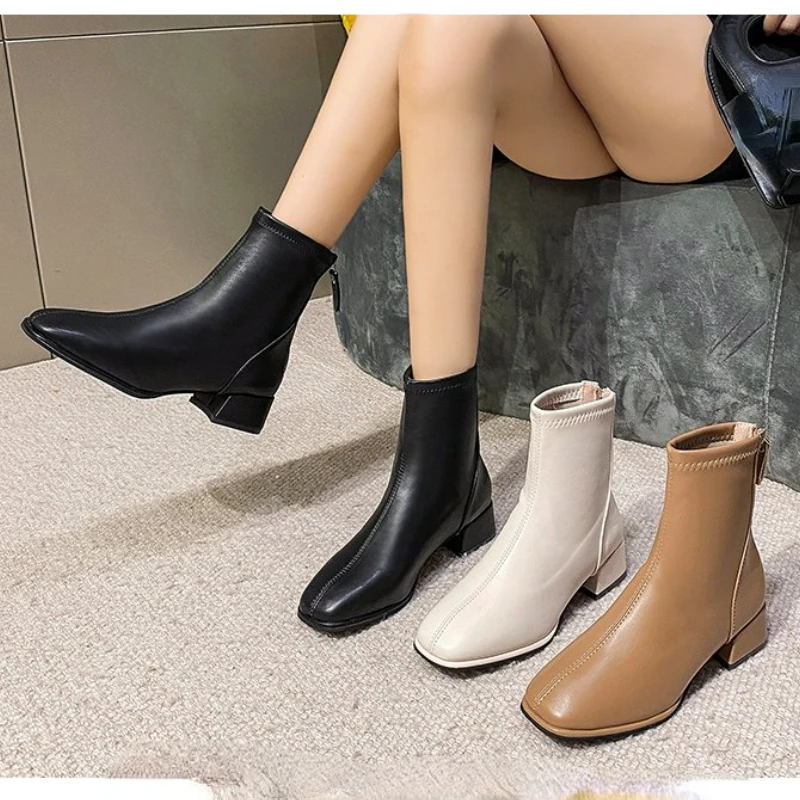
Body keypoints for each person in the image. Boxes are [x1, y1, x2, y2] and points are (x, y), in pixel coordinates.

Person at [21, 15, 798, 634]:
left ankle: (243, 318)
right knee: (444, 27)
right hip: (588, 78)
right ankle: (438, 472)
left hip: (713, 83)